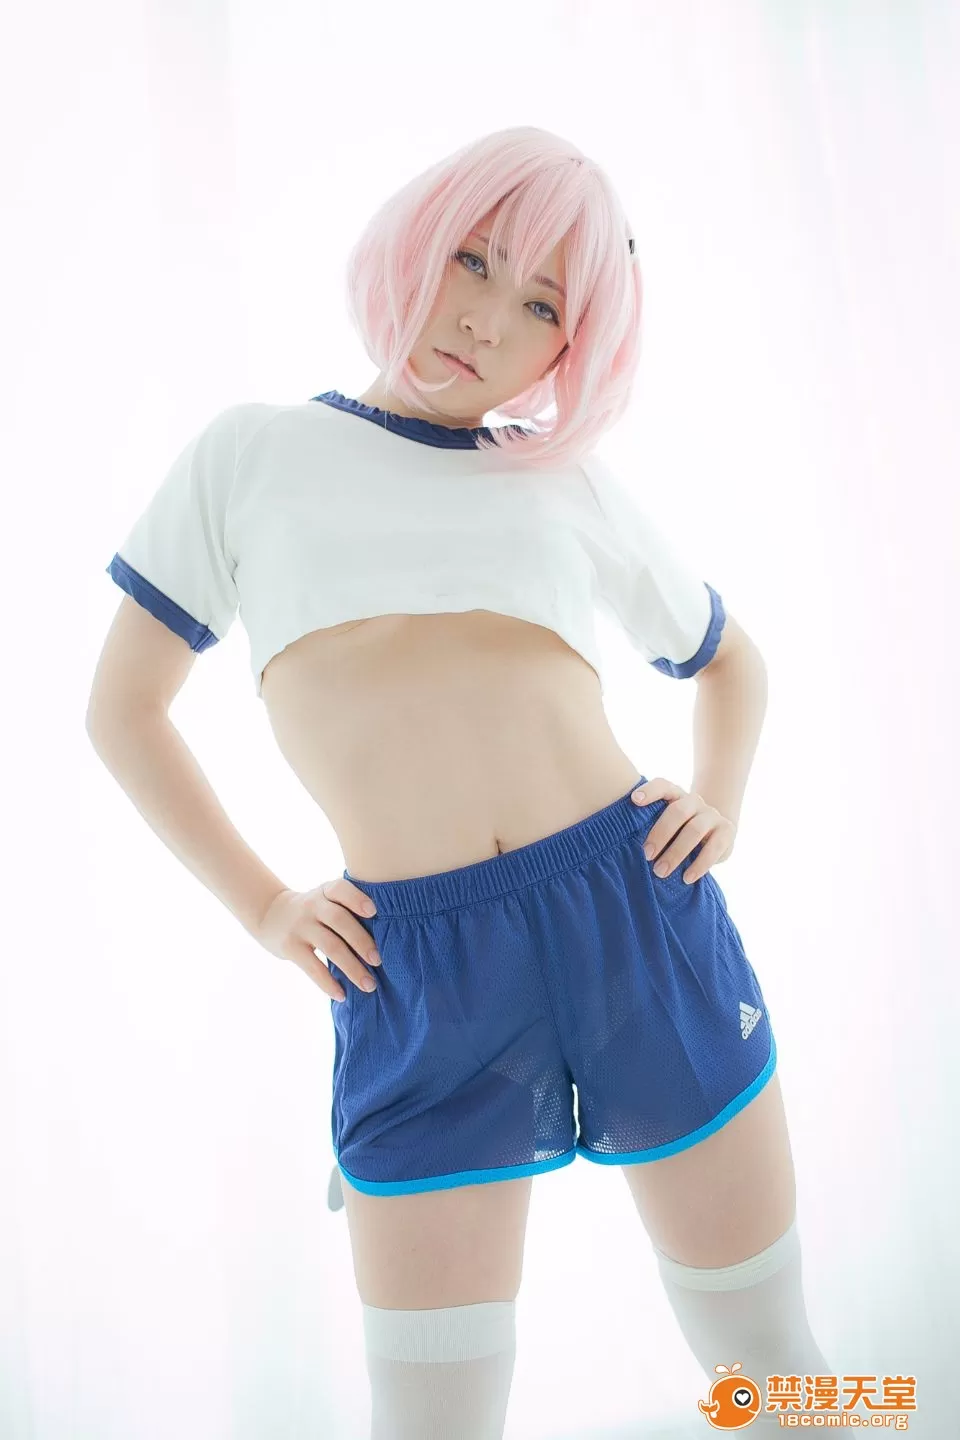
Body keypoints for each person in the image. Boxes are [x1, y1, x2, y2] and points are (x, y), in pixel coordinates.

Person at [87, 125, 833, 1439]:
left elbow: (731, 662)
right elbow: (123, 711)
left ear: (571, 352)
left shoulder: (559, 479)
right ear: (414, 246)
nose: (487, 320)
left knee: (773, 1373)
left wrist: (721, 796)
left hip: (635, 913)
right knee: (432, 1420)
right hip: (416, 970)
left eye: (543, 305)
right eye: (473, 262)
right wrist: (266, 907)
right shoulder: (250, 454)